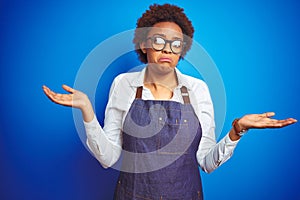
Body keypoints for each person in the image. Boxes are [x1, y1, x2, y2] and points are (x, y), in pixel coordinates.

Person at [42, 3, 297, 200]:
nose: (167, 49)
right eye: (159, 41)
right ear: (144, 44)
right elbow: (108, 159)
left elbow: (207, 163)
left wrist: (237, 130)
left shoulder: (198, 89)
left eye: (176, 44)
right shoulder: (123, 84)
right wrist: (87, 112)